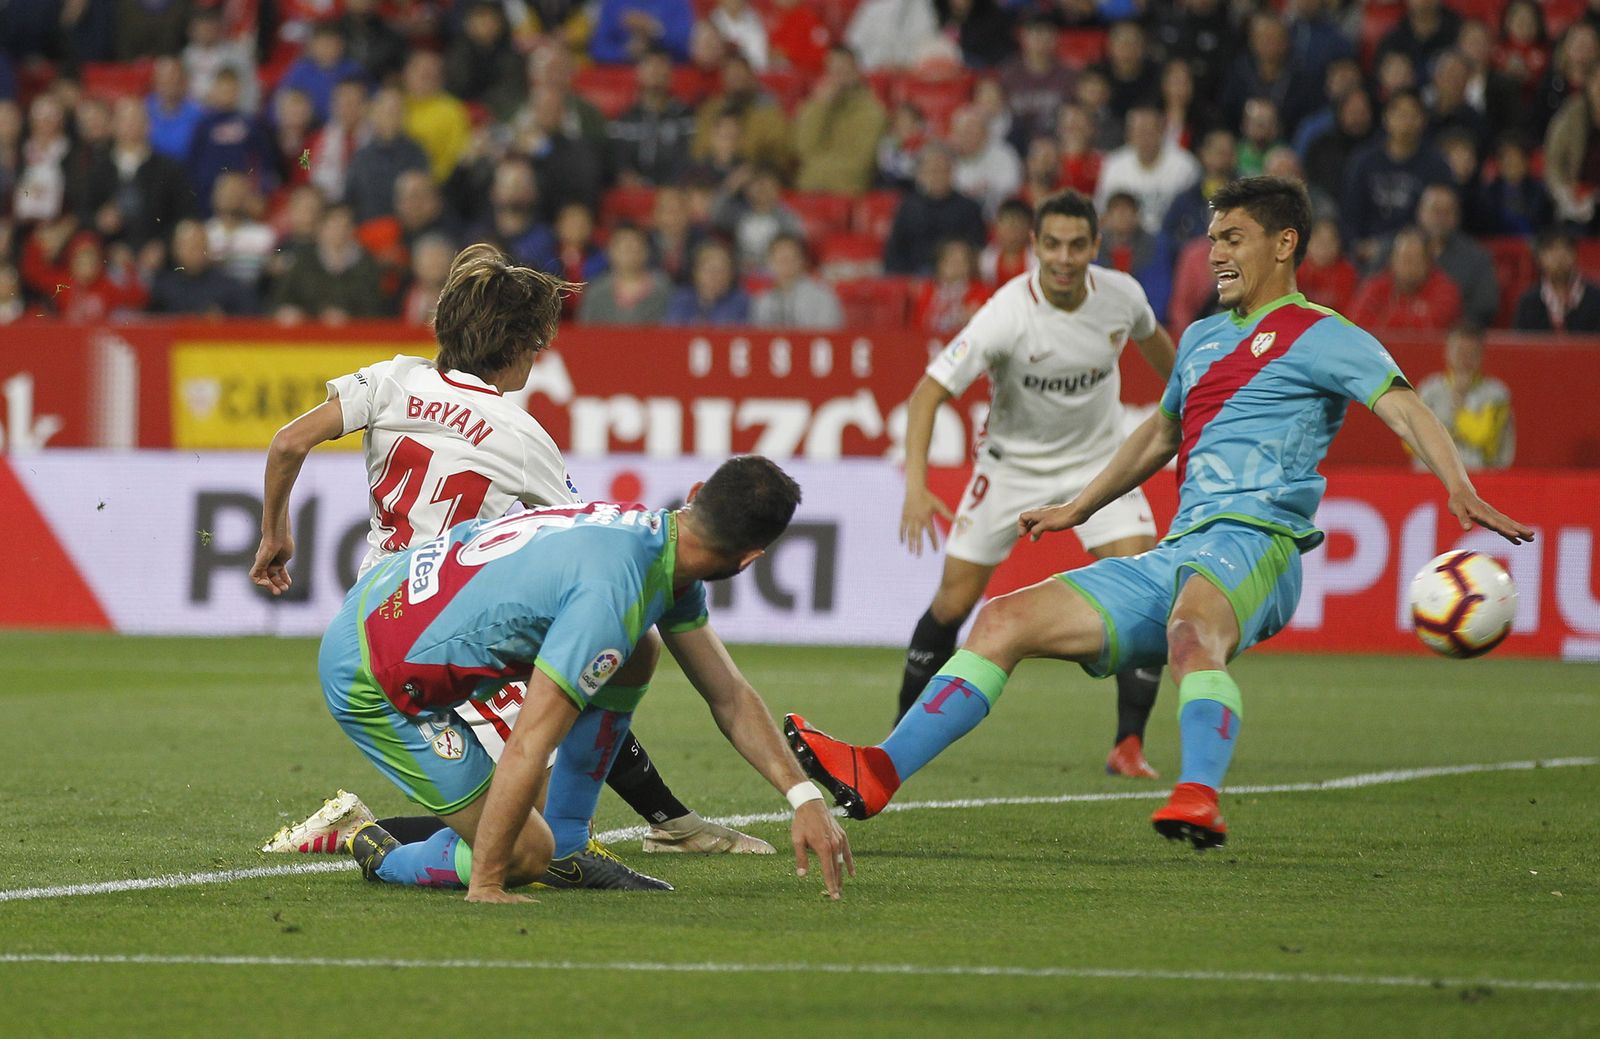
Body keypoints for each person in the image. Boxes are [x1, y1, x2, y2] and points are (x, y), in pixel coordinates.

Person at [787, 176, 1532, 848]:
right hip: (1182, 548)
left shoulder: (1324, 334)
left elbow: (1404, 407)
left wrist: (1455, 483)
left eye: (1232, 238)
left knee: (1191, 630)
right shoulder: (1203, 338)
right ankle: (879, 769)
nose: (1215, 254)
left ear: (1284, 243)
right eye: (1211, 240)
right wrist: (1078, 506)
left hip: (1257, 543)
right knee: (1001, 620)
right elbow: (1161, 434)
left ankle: (1199, 794)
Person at [254, 245, 779, 881]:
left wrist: (275, 531)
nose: (538, 356)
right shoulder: (521, 435)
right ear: (517, 347)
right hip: (457, 613)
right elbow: (591, 542)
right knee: (560, 738)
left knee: (577, 699)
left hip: (381, 601)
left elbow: (288, 442)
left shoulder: (394, 379)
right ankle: (385, 840)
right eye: (536, 344)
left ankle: (657, 823)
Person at [324, 458, 852, 902]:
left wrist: (803, 796)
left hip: (387, 595)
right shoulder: (613, 596)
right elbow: (530, 742)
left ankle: (570, 846)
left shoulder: (653, 542)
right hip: (372, 676)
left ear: (693, 495)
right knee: (527, 853)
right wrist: (489, 882)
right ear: (751, 559)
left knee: (641, 649)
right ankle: (388, 858)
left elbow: (730, 695)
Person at [888, 189, 1177, 780]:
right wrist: (915, 487)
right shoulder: (1005, 314)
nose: (1065, 258)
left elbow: (1165, 357)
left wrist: (1190, 409)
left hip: (1100, 464)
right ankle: (896, 741)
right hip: (1009, 470)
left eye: (1077, 245)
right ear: (1034, 248)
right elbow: (927, 395)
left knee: (1149, 592)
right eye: (1053, 245)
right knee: (953, 603)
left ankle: (1128, 745)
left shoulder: (1122, 297)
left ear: (1096, 247)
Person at [1416, 326, 1514, 470]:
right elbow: (1412, 441)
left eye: (1471, 354)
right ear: (1447, 352)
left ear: (1481, 356)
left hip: (1481, 477)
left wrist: (1459, 401)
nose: (1464, 359)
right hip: (1431, 476)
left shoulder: (1496, 394)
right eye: (1460, 352)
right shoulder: (1429, 390)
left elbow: (1483, 437)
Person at [1513, 227, 1600, 332]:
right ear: (1539, 258)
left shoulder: (1596, 298)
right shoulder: (1528, 303)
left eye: (1565, 249)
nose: (1559, 256)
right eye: (1551, 250)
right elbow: (1520, 345)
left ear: (1575, 254)